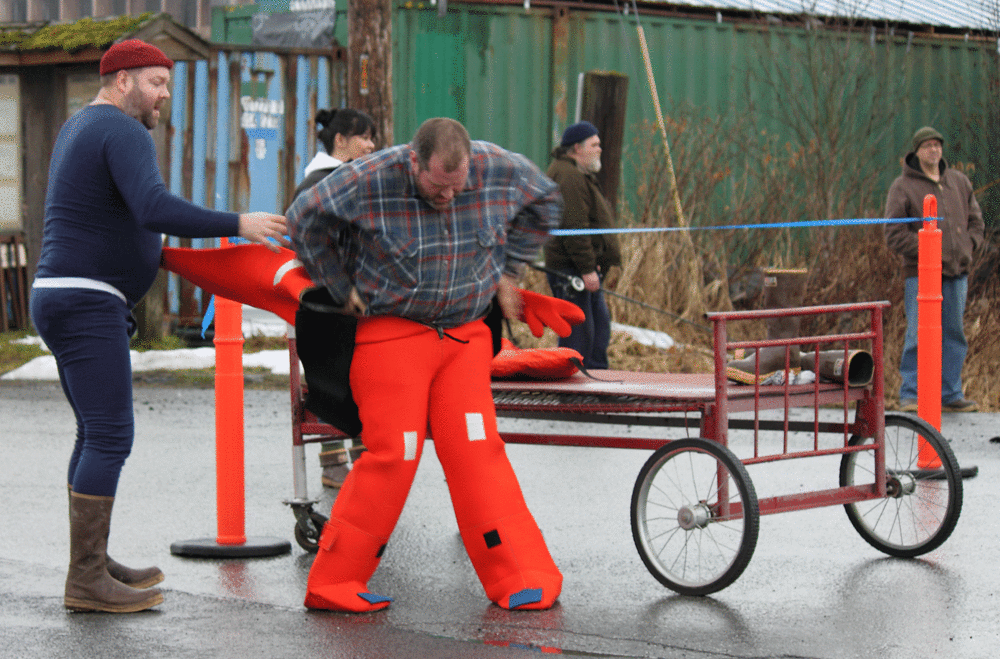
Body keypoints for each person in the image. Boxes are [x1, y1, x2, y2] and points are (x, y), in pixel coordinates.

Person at [29, 39, 289, 614]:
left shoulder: (82, 126)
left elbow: (119, 214)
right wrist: (236, 222)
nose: (163, 96)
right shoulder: (121, 131)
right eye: (154, 83)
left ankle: (91, 563)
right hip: (85, 299)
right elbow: (150, 207)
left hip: (63, 295)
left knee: (92, 432)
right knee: (110, 435)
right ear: (122, 81)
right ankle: (86, 579)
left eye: (167, 85)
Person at [286, 117, 564, 613]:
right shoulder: (371, 176)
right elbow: (304, 215)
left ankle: (523, 574)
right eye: (437, 186)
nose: (447, 197)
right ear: (414, 162)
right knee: (395, 453)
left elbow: (546, 198)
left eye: (457, 188)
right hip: (392, 333)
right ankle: (335, 580)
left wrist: (509, 270)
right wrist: (335, 281)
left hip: (463, 337)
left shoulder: (500, 169)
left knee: (478, 450)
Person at [290, 108, 376, 489]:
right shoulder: (320, 182)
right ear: (340, 140)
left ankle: (362, 455)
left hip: (346, 297)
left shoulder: (339, 178)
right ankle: (332, 462)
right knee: (331, 380)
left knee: (357, 379)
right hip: (328, 299)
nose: (372, 145)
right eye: (364, 137)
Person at [885, 126, 984, 413]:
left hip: (956, 273)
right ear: (916, 152)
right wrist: (928, 249)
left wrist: (968, 245)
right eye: (928, 146)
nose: (934, 150)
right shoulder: (902, 186)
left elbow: (976, 221)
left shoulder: (959, 181)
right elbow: (893, 233)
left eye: (937, 145)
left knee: (954, 333)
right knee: (917, 334)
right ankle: (910, 394)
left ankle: (950, 393)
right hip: (919, 275)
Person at [542, 121, 621, 370]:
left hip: (581, 268)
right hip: (572, 271)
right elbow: (575, 228)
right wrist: (587, 269)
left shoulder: (575, 173)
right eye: (594, 145)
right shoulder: (569, 177)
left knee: (598, 329)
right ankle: (574, 391)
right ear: (576, 148)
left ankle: (596, 382)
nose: (600, 149)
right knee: (579, 335)